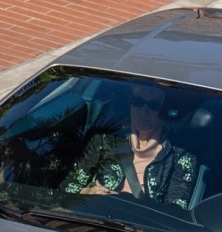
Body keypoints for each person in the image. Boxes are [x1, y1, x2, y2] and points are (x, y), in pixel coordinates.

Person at [62, 83, 199, 209]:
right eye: (138, 101)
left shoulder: (181, 155)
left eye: (153, 105)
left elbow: (175, 211)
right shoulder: (106, 139)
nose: (144, 110)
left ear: (164, 109)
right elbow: (67, 185)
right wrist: (87, 191)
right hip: (94, 217)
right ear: (130, 102)